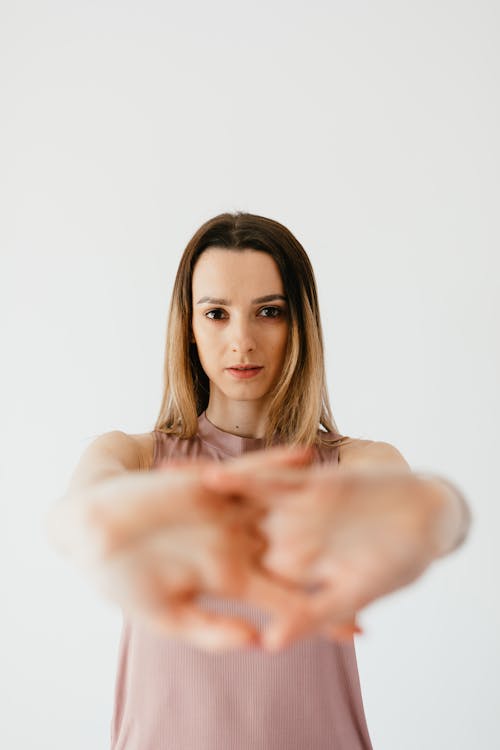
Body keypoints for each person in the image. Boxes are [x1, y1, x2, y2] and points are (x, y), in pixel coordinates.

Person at [45, 211, 472, 750]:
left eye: (269, 312)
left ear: (301, 324)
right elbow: (79, 511)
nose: (241, 340)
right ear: (190, 327)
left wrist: (444, 512)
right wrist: (88, 529)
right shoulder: (130, 457)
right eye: (217, 313)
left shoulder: (356, 466)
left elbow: (423, 507)